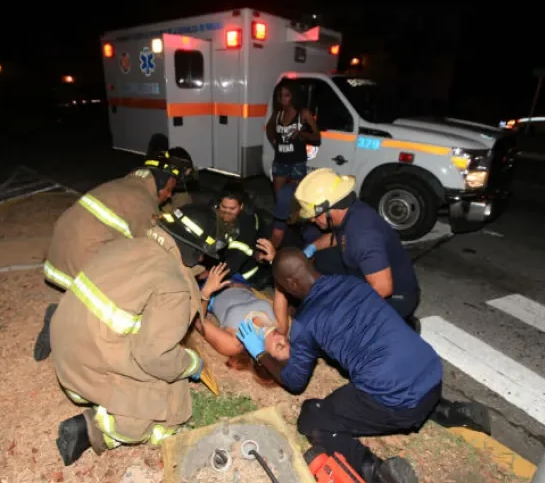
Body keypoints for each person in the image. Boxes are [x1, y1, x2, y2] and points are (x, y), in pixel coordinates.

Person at [236, 248, 491, 483]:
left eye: (281, 286)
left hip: (401, 404)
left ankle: (375, 471)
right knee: (392, 367)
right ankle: (449, 410)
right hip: (431, 373)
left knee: (313, 416)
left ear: (291, 284)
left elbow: (294, 381)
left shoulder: (306, 321)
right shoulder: (352, 283)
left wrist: (260, 354)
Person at [50, 204, 231, 466]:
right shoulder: (173, 287)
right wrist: (192, 363)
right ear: (194, 251)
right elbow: (153, 356)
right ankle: (96, 429)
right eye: (203, 255)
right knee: (170, 395)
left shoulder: (128, 244)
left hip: (65, 346)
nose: (203, 261)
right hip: (84, 372)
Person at [33, 155, 189, 361]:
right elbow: (154, 249)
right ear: (159, 181)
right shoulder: (142, 202)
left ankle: (69, 305)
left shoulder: (125, 185)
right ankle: (59, 318)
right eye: (168, 189)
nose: (169, 196)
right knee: (134, 287)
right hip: (79, 257)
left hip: (58, 256)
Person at [261, 168, 421, 331]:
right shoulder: (350, 212)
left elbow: (383, 288)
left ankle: (400, 325)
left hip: (397, 298)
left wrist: (341, 307)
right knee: (320, 262)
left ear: (328, 209)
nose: (314, 221)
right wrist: (311, 249)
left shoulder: (362, 236)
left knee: (334, 329)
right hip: (366, 275)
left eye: (315, 216)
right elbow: (336, 238)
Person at [265, 79, 321, 196]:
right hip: (280, 161)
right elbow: (269, 128)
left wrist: (302, 134)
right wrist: (273, 140)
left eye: (286, 95)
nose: (282, 98)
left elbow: (317, 137)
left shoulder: (303, 113)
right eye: (280, 95)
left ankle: (293, 214)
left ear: (293, 96)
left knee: (297, 198)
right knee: (279, 196)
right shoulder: (278, 113)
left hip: (297, 162)